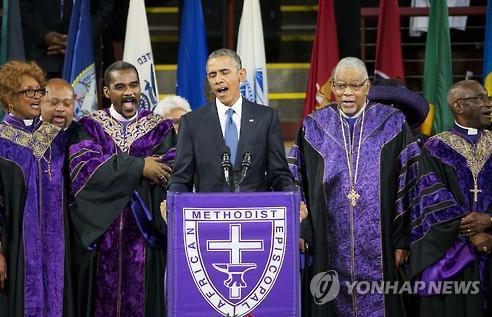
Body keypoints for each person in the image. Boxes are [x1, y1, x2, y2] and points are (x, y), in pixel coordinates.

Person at [288, 57, 417, 316]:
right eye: (340, 85)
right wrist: (303, 229)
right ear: (332, 87)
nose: (347, 93)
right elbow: (294, 179)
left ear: (368, 86)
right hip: (328, 240)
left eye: (355, 85)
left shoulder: (392, 123)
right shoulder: (314, 127)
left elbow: (410, 183)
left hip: (381, 243)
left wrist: (402, 240)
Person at [68, 61, 175, 317]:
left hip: (145, 236)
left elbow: (169, 168)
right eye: (120, 86)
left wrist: (116, 172)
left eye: (134, 85)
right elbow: (85, 170)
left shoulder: (160, 127)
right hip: (101, 234)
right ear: (106, 92)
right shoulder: (88, 127)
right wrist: (139, 167)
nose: (129, 92)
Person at [406, 80, 492, 317]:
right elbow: (431, 198)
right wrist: (473, 232)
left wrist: (489, 221)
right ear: (458, 106)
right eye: (479, 98)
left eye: (488, 98)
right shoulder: (435, 147)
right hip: (454, 254)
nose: (488, 104)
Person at [0, 61, 70, 316]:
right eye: (28, 91)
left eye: (39, 90)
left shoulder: (57, 138)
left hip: (57, 250)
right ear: (9, 98)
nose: (36, 97)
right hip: (16, 251)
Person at [169, 48, 295, 193]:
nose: (218, 80)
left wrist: (293, 200)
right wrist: (172, 200)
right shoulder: (192, 123)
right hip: (210, 211)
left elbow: (279, 175)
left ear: (241, 75)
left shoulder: (265, 118)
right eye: (212, 75)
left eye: (224, 72)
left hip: (254, 211)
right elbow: (180, 179)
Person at [20, 0, 114, 77]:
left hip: (82, 55)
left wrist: (79, 38)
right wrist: (44, 34)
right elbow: (24, 5)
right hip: (42, 53)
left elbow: (105, 8)